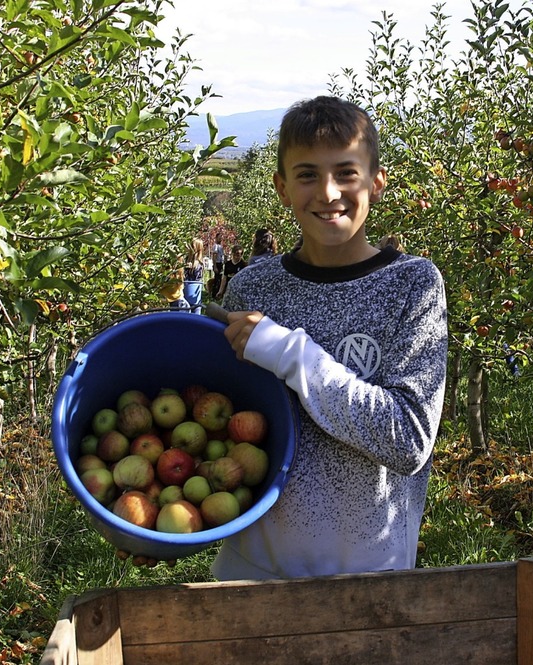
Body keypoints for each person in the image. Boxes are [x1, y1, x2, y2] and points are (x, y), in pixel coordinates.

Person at [213, 96, 448, 580]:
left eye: (346, 172)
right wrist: (160, 527)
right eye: (306, 175)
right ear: (281, 187)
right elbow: (223, 430)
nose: (327, 191)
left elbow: (407, 439)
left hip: (366, 580)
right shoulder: (252, 289)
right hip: (250, 574)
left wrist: (289, 352)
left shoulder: (412, 286)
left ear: (376, 181)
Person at [183, 238, 204, 314]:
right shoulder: (186, 260)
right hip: (185, 292)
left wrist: (191, 267)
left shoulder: (199, 264)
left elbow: (197, 278)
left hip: (193, 292)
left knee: (196, 311)